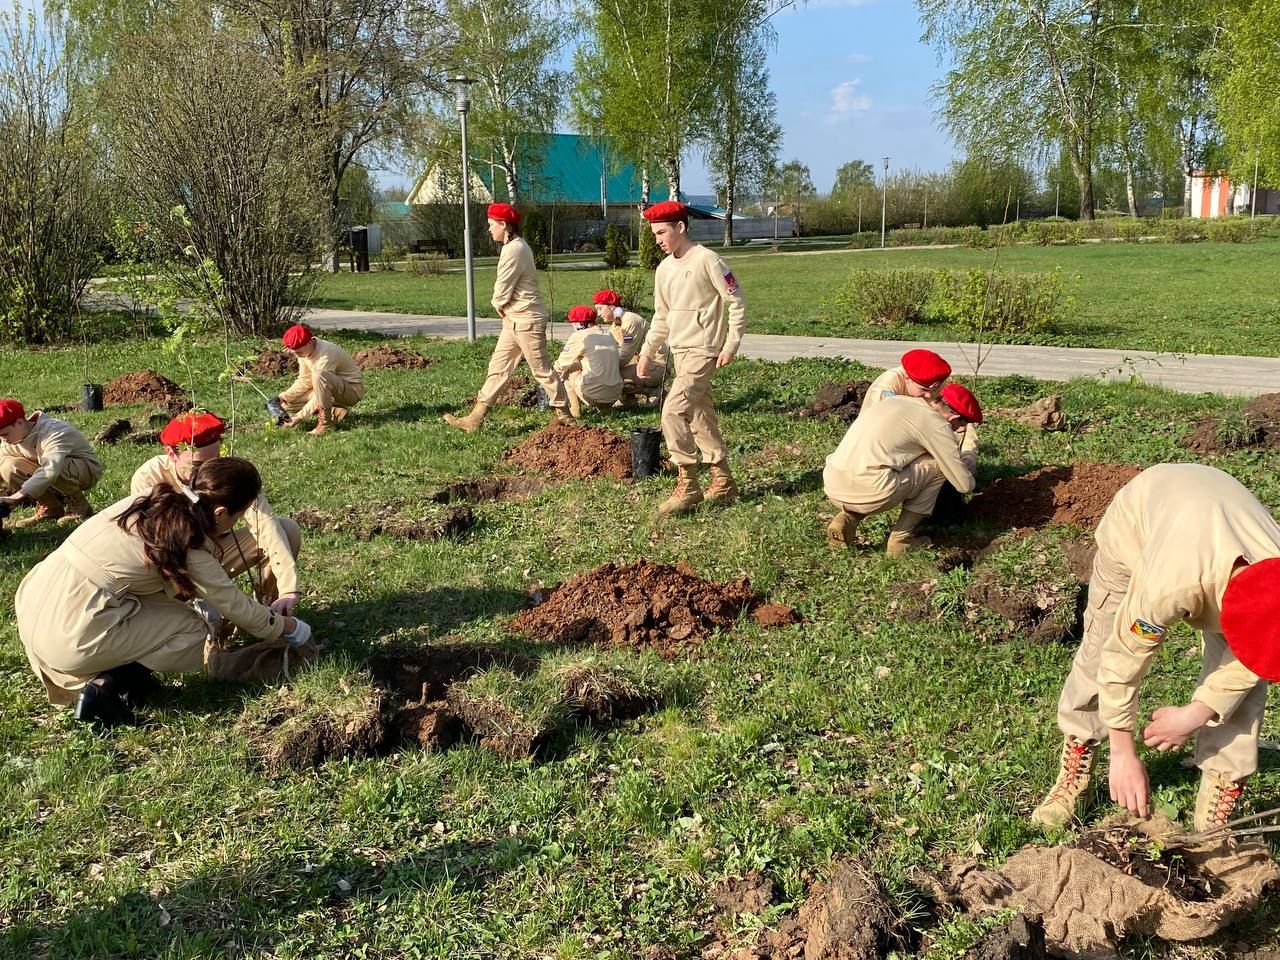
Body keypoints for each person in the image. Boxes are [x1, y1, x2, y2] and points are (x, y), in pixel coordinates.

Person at [1031, 463, 1280, 833]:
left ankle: (1220, 795)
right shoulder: (1169, 587)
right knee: (1099, 652)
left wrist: (1194, 715)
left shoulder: (1273, 577)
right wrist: (1123, 752)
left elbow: (1258, 657)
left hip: (1219, 516)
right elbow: (1121, 659)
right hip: (1138, 525)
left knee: (1247, 692)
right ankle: (1079, 757)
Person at [15, 457, 312, 726]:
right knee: (195, 630)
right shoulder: (188, 542)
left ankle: (131, 679)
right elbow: (233, 603)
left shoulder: (152, 501)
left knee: (171, 615)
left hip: (37, 601)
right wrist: (288, 627)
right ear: (221, 512)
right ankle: (107, 686)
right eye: (238, 516)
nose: (236, 523)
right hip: (71, 629)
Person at [636, 201, 746, 515]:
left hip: (703, 351)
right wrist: (646, 352)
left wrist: (730, 344)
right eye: (654, 233)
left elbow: (736, 301)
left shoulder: (708, 260)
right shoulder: (664, 269)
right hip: (680, 352)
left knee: (673, 410)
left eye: (662, 232)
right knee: (700, 415)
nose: (657, 239)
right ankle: (723, 480)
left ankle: (688, 483)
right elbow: (661, 316)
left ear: (681, 228)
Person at [131, 411, 302, 614]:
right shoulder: (149, 479)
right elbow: (156, 545)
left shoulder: (227, 475)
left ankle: (267, 610)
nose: (205, 471)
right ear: (171, 453)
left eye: (213, 462)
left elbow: (265, 524)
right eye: (195, 465)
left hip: (217, 551)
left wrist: (288, 589)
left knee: (287, 529)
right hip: (178, 565)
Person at [444, 203, 570, 432]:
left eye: (492, 225)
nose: (489, 230)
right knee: (498, 367)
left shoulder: (515, 249)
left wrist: (498, 304)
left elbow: (503, 288)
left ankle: (565, 416)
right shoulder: (513, 246)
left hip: (526, 320)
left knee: (541, 370)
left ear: (504, 225)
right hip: (514, 320)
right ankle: (475, 419)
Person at [823, 384, 981, 556]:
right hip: (872, 491)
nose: (959, 429)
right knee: (939, 465)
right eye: (961, 424)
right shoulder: (938, 425)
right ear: (953, 417)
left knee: (878, 462)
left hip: (833, 482)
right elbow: (964, 485)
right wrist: (968, 464)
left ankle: (846, 519)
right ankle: (901, 540)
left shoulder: (897, 400)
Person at [0, 398, 103, 528]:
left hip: (84, 470)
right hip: (47, 471)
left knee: (56, 466)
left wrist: (16, 497)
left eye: (4, 434)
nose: (3, 440)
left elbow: (50, 469)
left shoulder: (53, 431)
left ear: (19, 422)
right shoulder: (11, 439)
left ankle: (79, 504)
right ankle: (51, 507)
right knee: (7, 466)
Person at [273, 324, 364, 435]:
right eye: (294, 353)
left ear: (310, 342)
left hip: (351, 392)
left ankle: (326, 424)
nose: (298, 355)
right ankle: (334, 410)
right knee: (285, 405)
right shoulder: (304, 353)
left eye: (299, 352)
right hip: (328, 391)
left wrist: (299, 416)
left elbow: (320, 389)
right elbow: (305, 380)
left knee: (318, 375)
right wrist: (283, 397)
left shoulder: (327, 353)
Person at [593, 288, 667, 401]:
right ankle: (629, 399)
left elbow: (626, 354)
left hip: (657, 365)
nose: (598, 313)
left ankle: (654, 392)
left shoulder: (631, 322)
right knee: (610, 375)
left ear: (611, 306)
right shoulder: (616, 325)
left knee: (611, 378)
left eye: (600, 308)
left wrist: (605, 368)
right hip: (643, 364)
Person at [555, 305, 623, 417]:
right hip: (615, 393)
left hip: (593, 394)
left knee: (568, 370)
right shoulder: (608, 335)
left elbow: (561, 364)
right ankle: (604, 409)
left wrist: (548, 379)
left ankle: (574, 411)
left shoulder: (580, 335)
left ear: (578, 324)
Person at [858, 349, 952, 418]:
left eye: (934, 389)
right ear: (907, 377)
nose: (929, 395)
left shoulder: (933, 384)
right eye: (923, 390)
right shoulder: (887, 386)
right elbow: (883, 420)